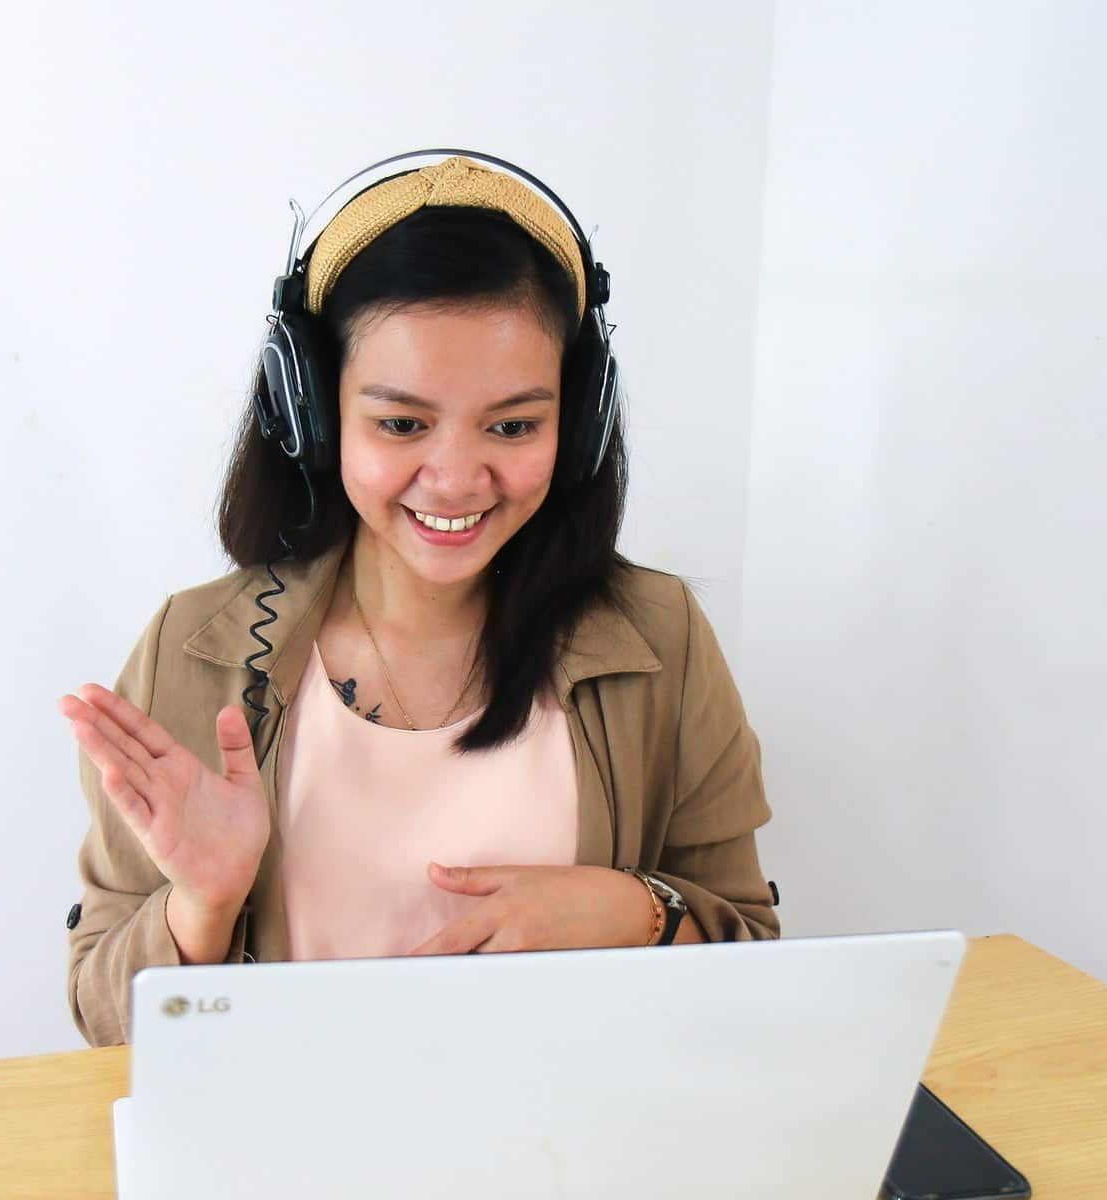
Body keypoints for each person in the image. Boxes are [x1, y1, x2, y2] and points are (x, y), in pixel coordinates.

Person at [59, 152, 779, 1048]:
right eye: (401, 423)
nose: (454, 478)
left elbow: (758, 961)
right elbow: (102, 1023)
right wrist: (201, 907)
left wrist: (631, 910)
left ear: (579, 419)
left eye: (513, 425)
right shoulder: (194, 649)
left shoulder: (660, 642)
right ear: (314, 413)